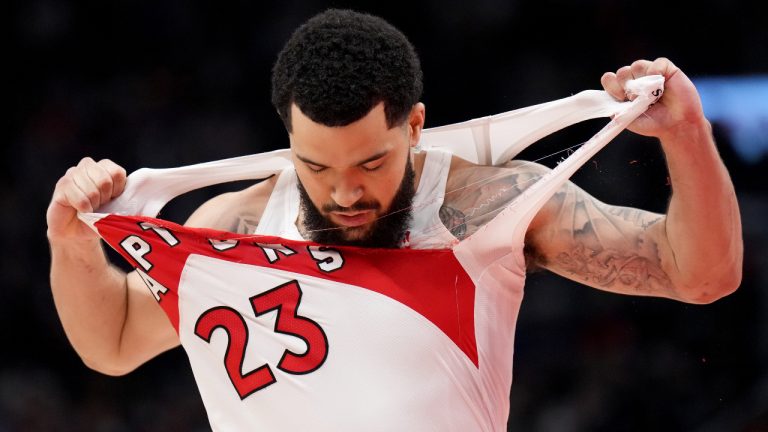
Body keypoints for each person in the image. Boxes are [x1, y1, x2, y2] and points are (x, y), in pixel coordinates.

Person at [47, 8, 742, 430]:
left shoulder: (487, 208)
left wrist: (687, 135)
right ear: (289, 140)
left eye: (370, 164)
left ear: (415, 127)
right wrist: (71, 243)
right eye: (317, 168)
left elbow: (701, 276)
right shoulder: (238, 223)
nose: (345, 193)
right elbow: (110, 342)